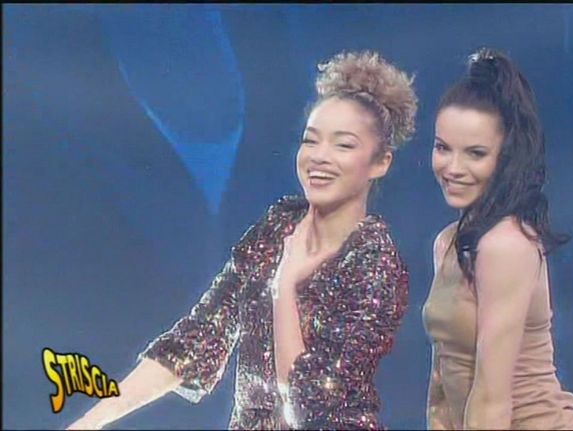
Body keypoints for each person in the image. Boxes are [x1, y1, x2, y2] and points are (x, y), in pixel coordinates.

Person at [67, 50, 417, 430]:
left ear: (380, 162)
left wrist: (284, 285)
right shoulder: (279, 226)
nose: (320, 157)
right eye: (311, 141)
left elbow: (309, 405)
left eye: (343, 145)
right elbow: (198, 338)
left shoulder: (375, 262)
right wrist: (92, 420)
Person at [422, 48, 573, 430]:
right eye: (442, 148)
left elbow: (492, 400)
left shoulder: (507, 244)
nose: (453, 168)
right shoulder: (448, 242)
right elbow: (441, 384)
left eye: (475, 154)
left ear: (505, 158)